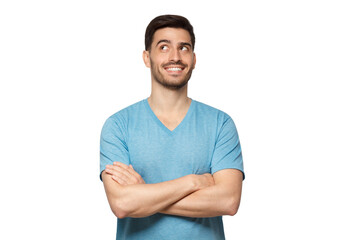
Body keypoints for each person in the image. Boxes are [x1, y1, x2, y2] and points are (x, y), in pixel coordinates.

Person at [100, 14, 245, 240]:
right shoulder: (118, 126)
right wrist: (193, 182)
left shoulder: (220, 124)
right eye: (164, 47)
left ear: (194, 59)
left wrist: (144, 194)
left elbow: (228, 201)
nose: (175, 57)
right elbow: (122, 203)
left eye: (184, 48)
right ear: (147, 58)